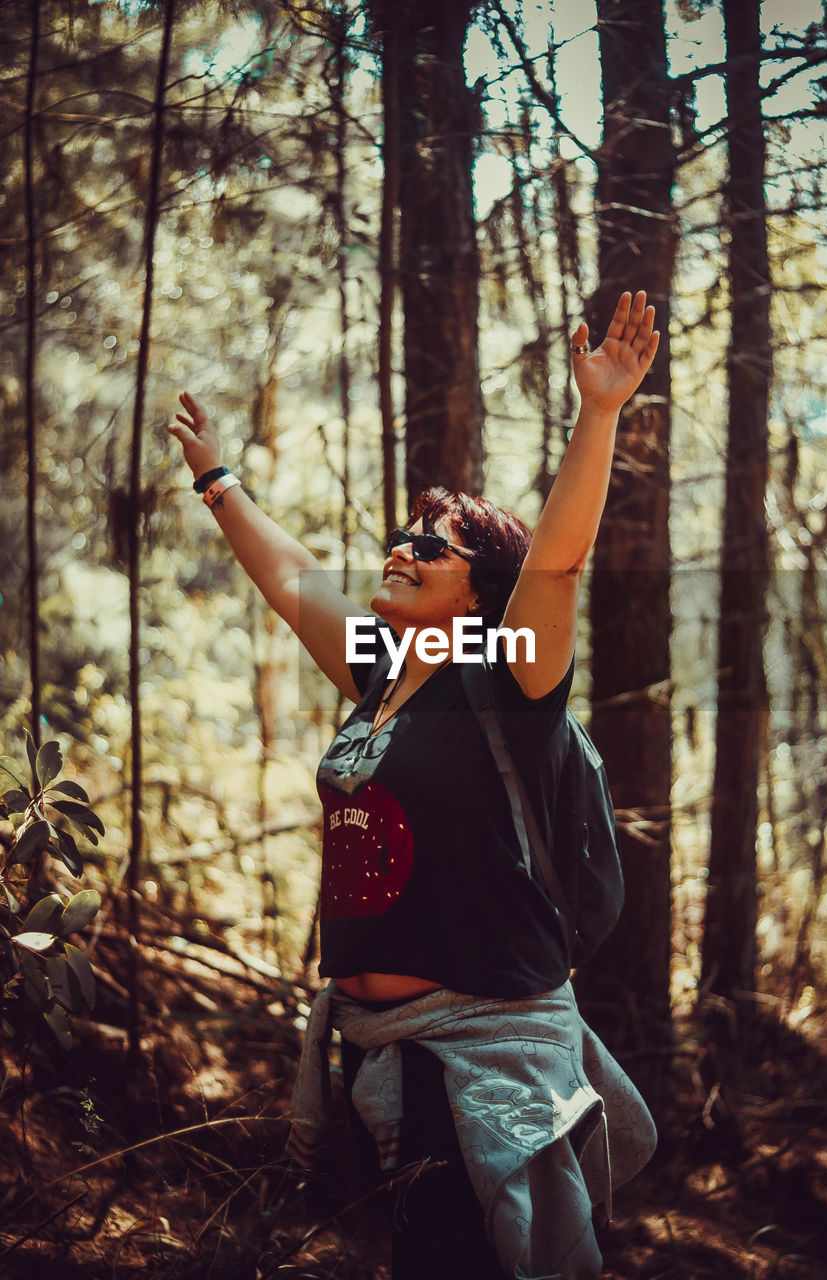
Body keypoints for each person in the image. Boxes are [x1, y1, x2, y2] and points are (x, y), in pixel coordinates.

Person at [169, 292, 660, 1279]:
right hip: (375, 1047)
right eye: (402, 535)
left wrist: (598, 411)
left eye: (431, 546)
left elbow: (557, 564)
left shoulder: (511, 677)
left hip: (475, 1050)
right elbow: (295, 578)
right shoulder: (381, 675)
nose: (400, 548)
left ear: (480, 593)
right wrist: (216, 480)